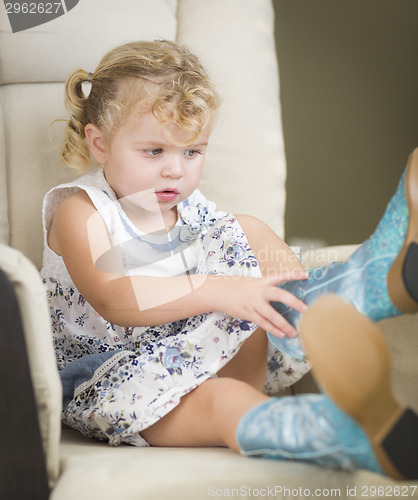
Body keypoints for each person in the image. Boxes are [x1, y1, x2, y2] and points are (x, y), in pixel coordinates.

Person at [41, 40, 417, 480]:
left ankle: (360, 287)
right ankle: (352, 434)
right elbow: (112, 296)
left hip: (214, 348)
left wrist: (241, 285)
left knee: (247, 228)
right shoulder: (82, 210)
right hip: (115, 379)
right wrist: (221, 289)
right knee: (223, 403)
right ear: (100, 144)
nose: (176, 171)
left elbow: (242, 269)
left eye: (192, 151)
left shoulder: (194, 210)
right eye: (154, 151)